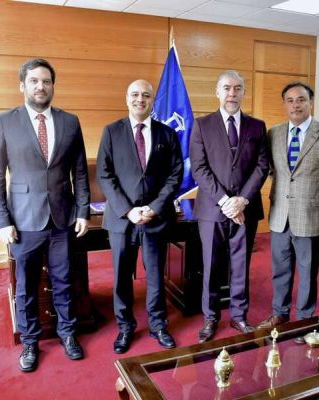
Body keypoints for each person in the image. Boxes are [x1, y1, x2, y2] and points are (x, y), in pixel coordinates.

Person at [0, 58, 90, 372]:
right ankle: (30, 340)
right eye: (34, 81)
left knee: (64, 280)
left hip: (62, 218)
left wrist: (82, 211)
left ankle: (68, 334)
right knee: (26, 286)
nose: (40, 86)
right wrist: (2, 221)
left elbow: (80, 172)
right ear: (22, 85)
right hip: (22, 221)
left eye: (46, 81)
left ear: (52, 86)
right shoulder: (5, 121)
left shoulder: (70, 121)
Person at [97, 79, 183, 352]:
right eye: (134, 94)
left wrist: (155, 207)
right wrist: (128, 209)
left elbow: (175, 175)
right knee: (122, 277)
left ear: (152, 100)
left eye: (146, 95)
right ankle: (125, 327)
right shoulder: (111, 132)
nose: (140, 99)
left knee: (155, 276)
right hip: (122, 219)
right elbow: (104, 175)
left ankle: (158, 325)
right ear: (127, 98)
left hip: (155, 218)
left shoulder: (167, 133)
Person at [257, 82, 319, 332]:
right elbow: (273, 170)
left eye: (301, 99)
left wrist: (313, 196)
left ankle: (305, 320)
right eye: (290, 100)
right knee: (280, 269)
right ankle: (280, 313)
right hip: (280, 215)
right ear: (284, 104)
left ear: (311, 102)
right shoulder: (273, 134)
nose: (296, 105)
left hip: (310, 215)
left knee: (307, 272)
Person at [190, 70, 269, 342]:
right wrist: (225, 201)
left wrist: (242, 200)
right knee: (211, 265)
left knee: (241, 264)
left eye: (237, 89)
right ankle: (210, 317)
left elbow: (261, 166)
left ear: (244, 93)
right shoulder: (202, 125)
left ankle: (239, 315)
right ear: (217, 92)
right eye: (226, 88)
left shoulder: (257, 126)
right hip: (213, 209)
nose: (232, 94)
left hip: (245, 209)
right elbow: (199, 168)